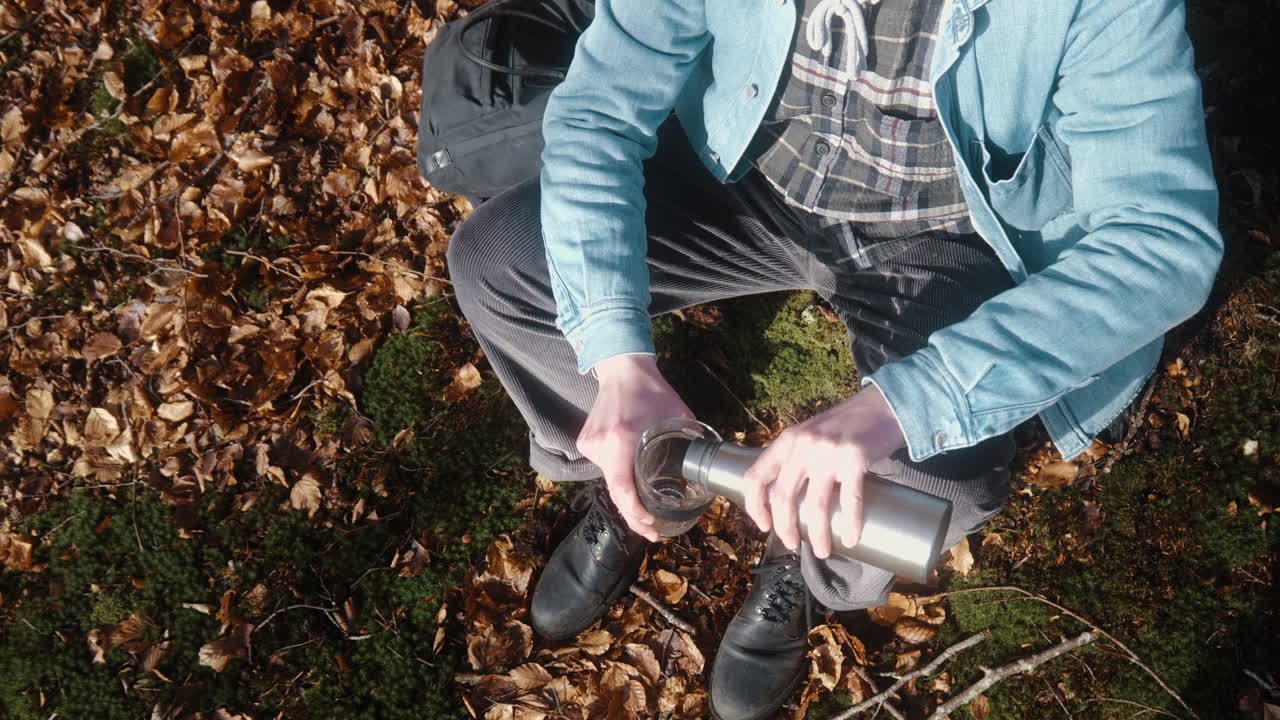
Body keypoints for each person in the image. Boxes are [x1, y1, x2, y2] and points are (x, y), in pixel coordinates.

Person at [447, 0, 1221, 716]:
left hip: (942, 228)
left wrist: (902, 406)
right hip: (748, 167)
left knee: (936, 478)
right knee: (496, 264)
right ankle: (636, 474)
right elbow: (597, 111)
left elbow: (1162, 240)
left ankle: (812, 560)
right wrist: (616, 358)